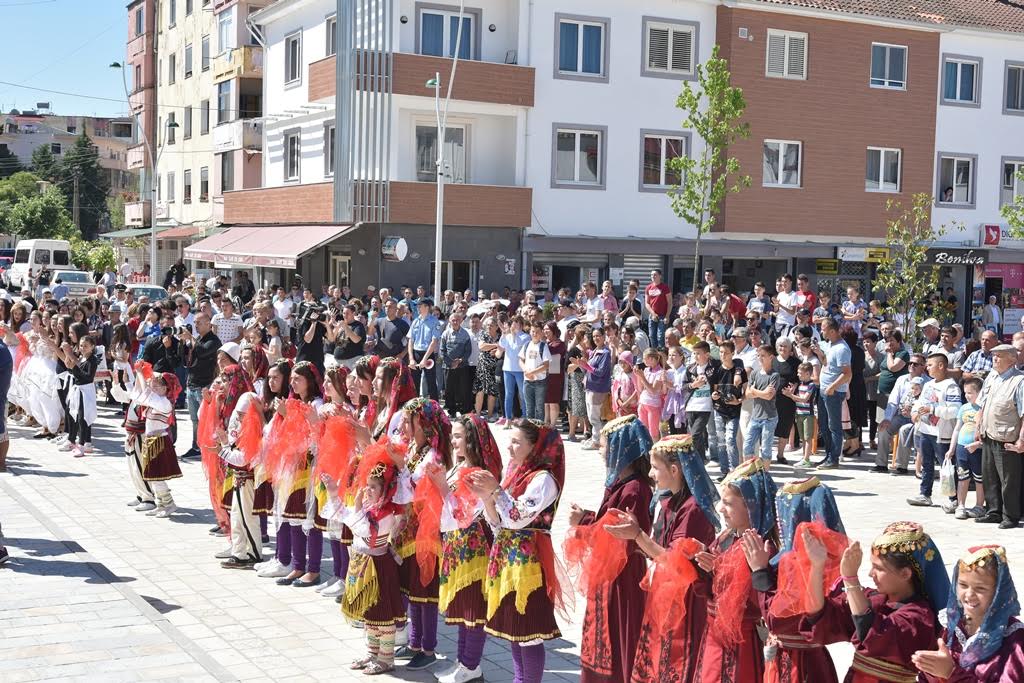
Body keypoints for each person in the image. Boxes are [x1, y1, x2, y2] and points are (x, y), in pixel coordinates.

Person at [603, 435, 718, 683]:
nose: (652, 475)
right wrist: (634, 538)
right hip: (667, 596)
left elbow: (676, 562)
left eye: (656, 467)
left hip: (687, 601)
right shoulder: (669, 502)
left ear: (674, 470)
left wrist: (638, 535)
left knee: (680, 664)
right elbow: (658, 551)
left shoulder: (693, 509)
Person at [466, 420, 566, 683]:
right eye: (509, 440)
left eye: (517, 442)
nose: (509, 447)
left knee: (529, 632)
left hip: (529, 561)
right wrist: (487, 498)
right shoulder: (516, 471)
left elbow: (518, 517)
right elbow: (498, 523)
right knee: (515, 630)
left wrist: (495, 491)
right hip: (508, 555)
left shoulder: (543, 479)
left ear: (535, 447)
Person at [801, 521, 950, 683]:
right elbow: (817, 614)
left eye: (879, 568)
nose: (871, 574)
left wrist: (851, 579)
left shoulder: (919, 616)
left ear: (905, 573)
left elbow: (871, 632)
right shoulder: (873, 599)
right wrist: (817, 566)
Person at [565, 415, 653, 682]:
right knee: (604, 639)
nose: (601, 451)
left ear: (620, 449)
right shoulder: (619, 483)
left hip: (623, 578)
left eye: (604, 445)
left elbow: (616, 538)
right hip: (609, 575)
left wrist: (583, 521)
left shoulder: (635, 490)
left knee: (619, 640)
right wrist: (588, 518)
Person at [742, 477, 846, 682]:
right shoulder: (830, 560)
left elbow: (776, 620)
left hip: (797, 664)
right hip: (812, 660)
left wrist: (759, 572)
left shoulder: (799, 564)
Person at [426, 415, 502, 683]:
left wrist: (442, 488)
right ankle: (463, 662)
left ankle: (471, 666)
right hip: (457, 546)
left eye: (458, 436)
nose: (453, 441)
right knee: (461, 609)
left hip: (475, 550)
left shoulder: (479, 474)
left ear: (471, 440)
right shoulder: (458, 467)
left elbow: (463, 515)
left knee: (473, 610)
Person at [694, 457, 779, 682]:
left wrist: (718, 571)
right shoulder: (726, 537)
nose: (721, 509)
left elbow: (756, 600)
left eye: (728, 503)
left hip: (742, 643)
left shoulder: (761, 548)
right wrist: (703, 567)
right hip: (714, 636)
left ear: (751, 505)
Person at [393, 398, 453, 671]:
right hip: (411, 529)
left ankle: (428, 647)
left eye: (409, 420)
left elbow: (415, 491)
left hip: (426, 531)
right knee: (412, 587)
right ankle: (415, 642)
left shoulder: (432, 455)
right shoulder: (416, 450)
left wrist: (401, 467)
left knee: (424, 590)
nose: (404, 425)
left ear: (425, 425)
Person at [339, 443, 407, 676]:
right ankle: (372, 652)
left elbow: (364, 532)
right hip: (364, 563)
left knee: (382, 614)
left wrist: (357, 505)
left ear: (386, 490)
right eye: (366, 486)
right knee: (370, 613)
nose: (367, 491)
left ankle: (386, 658)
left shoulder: (387, 513)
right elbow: (345, 517)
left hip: (378, 566)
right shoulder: (371, 506)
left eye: (373, 488)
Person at [912, 545, 1024, 682]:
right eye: (963, 585)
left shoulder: (1014, 639)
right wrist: (931, 670)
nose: (969, 594)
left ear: (998, 591)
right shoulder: (954, 627)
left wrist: (951, 672)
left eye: (980, 588)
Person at [975, 344, 1024, 529]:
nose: (994, 359)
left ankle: (1010, 515)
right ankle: (993, 511)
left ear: (1012, 359)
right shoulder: (992, 377)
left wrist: (1021, 440)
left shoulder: (1020, 381)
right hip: (988, 433)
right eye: (993, 356)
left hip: (1007, 437)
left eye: (999, 356)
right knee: (989, 475)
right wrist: (977, 426)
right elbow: (982, 404)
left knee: (1008, 479)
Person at [906, 352, 962, 508]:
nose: (927, 368)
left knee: (947, 467)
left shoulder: (950, 386)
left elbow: (955, 410)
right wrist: (915, 412)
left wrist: (933, 409)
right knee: (927, 464)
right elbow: (919, 403)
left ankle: (954, 499)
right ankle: (925, 494)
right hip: (925, 430)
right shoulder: (929, 384)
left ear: (941, 366)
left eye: (930, 365)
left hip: (942, 434)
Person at [944, 377, 986, 519]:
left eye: (970, 393)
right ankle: (961, 505)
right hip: (962, 448)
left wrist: (979, 444)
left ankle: (979, 506)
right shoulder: (963, 408)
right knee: (962, 477)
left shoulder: (984, 409)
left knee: (979, 479)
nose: (967, 396)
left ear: (980, 393)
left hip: (978, 449)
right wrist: (952, 448)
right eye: (965, 393)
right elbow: (957, 429)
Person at [180, 313, 221, 459]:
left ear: (208, 323)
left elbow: (203, 351)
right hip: (192, 384)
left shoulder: (214, 340)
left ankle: (207, 446)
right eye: (195, 322)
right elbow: (186, 358)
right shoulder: (197, 339)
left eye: (199, 323)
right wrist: (183, 343)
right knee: (195, 420)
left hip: (205, 384)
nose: (196, 325)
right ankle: (196, 446)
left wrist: (191, 338)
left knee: (206, 419)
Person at [815, 320, 851, 470]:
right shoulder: (830, 345)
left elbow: (847, 373)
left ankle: (834, 458)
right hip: (825, 390)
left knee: (834, 426)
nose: (821, 332)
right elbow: (827, 364)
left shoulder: (842, 349)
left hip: (834, 392)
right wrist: (819, 354)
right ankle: (829, 455)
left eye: (823, 329)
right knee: (824, 425)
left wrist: (832, 387)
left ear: (832, 331)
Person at [498, 317, 529, 426]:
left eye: (515, 324)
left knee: (522, 394)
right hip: (507, 369)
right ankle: (508, 418)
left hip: (519, 370)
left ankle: (525, 417)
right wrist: (503, 334)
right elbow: (501, 346)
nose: (513, 326)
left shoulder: (526, 337)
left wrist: (514, 334)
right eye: (512, 324)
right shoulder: (508, 336)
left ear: (520, 325)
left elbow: (521, 347)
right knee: (508, 394)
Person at [441, 312, 473, 417]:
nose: (455, 322)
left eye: (457, 320)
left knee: (463, 389)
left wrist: (460, 360)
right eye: (453, 320)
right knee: (449, 389)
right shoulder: (445, 334)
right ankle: (451, 411)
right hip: (448, 367)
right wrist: (451, 363)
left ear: (461, 321)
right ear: (449, 321)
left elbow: (468, 351)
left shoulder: (465, 334)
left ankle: (463, 411)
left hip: (462, 366)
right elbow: (442, 351)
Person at [518, 321, 551, 422]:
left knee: (539, 408)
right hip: (527, 381)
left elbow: (546, 365)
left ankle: (539, 430)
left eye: (537, 332)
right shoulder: (526, 345)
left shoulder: (543, 346)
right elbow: (520, 360)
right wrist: (525, 371)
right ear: (530, 332)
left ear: (541, 333)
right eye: (532, 331)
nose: (534, 334)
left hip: (540, 381)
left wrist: (532, 373)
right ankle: (530, 431)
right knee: (529, 408)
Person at [409, 299, 441, 400]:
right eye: (417, 306)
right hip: (416, 353)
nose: (418, 308)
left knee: (431, 383)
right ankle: (414, 407)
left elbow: (434, 342)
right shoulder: (415, 321)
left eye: (420, 306)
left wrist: (425, 359)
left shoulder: (434, 321)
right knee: (414, 383)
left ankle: (435, 410)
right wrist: (411, 358)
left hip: (428, 354)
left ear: (427, 307)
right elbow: (411, 340)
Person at [645, 270, 670, 349]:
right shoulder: (648, 288)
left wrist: (667, 316)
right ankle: (654, 352)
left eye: (655, 275)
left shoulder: (665, 287)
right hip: (652, 316)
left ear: (660, 276)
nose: (653, 276)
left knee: (660, 336)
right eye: (652, 275)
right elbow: (647, 303)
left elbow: (670, 302)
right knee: (652, 336)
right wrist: (653, 313)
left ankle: (661, 353)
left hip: (663, 316)